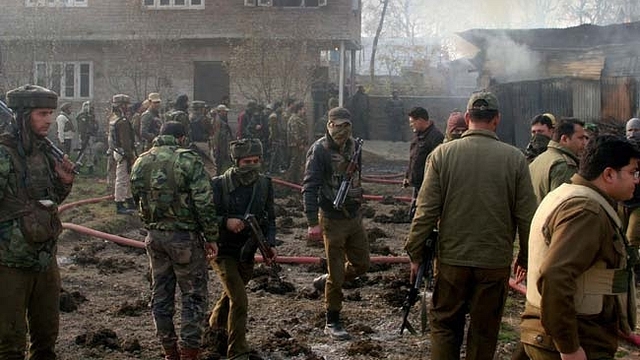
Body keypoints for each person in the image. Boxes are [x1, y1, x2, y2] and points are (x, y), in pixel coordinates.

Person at [404, 91, 537, 360]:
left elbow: (426, 211)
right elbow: (527, 216)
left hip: (453, 260)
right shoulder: (515, 159)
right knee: (485, 330)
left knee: (444, 325)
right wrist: (524, 256)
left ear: (467, 117)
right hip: (494, 262)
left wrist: (415, 253)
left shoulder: (442, 155)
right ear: (497, 120)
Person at [520, 135, 639, 360]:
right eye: (633, 172)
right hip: (577, 339)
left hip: (552, 334)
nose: (637, 180)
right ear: (609, 174)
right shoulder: (586, 211)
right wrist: (569, 347)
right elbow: (556, 275)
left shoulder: (567, 195)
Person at [130, 121, 219, 360]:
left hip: (155, 237)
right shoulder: (188, 160)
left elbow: (136, 197)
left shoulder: (141, 161)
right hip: (185, 238)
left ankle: (169, 351)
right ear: (181, 138)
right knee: (193, 296)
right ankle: (190, 352)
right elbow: (204, 202)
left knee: (161, 294)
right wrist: (211, 236)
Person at [0, 84, 76, 359]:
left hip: (44, 260)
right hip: (10, 265)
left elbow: (47, 202)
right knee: (10, 344)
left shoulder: (44, 153)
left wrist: (64, 183)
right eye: (42, 114)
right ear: (23, 116)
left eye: (50, 113)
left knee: (46, 340)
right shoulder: (4, 155)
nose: (48, 120)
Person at [303, 107, 370, 341]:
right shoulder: (319, 150)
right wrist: (312, 221)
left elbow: (357, 176)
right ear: (329, 125)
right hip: (332, 218)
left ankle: (327, 280)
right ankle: (332, 320)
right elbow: (310, 186)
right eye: (337, 125)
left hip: (353, 216)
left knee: (362, 264)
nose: (341, 130)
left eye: (346, 126)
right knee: (336, 271)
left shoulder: (354, 147)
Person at [208, 138, 277, 360]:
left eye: (256, 160)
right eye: (247, 161)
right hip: (223, 250)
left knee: (231, 295)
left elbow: (270, 218)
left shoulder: (265, 184)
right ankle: (237, 351)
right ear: (236, 161)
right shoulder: (219, 185)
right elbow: (206, 216)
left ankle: (214, 329)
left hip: (247, 251)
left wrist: (270, 244)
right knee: (239, 299)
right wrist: (226, 221)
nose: (252, 165)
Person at [528, 118, 589, 204]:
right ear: (564, 139)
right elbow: (564, 207)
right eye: (580, 138)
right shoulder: (564, 165)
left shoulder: (539, 159)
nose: (584, 143)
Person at [402, 106, 444, 218]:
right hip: (417, 183)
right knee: (415, 211)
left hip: (427, 184)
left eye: (412, 122)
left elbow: (437, 163)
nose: (411, 125)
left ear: (420, 120)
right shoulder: (418, 135)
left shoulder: (436, 137)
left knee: (424, 213)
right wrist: (408, 176)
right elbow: (413, 158)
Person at [108, 94, 137, 215]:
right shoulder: (123, 121)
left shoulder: (113, 118)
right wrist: (131, 156)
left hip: (117, 151)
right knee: (122, 178)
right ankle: (119, 203)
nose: (127, 107)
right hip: (124, 152)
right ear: (121, 106)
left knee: (127, 177)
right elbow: (126, 141)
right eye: (125, 105)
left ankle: (129, 199)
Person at [620, 117, 640, 284]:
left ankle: (633, 272)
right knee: (620, 238)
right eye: (630, 130)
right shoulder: (621, 151)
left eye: (636, 130)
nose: (633, 134)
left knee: (632, 238)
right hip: (622, 202)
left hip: (638, 204)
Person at [189, 100, 216, 176]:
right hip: (202, 143)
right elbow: (211, 131)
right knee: (207, 164)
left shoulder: (189, 117)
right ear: (201, 108)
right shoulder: (204, 119)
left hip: (192, 144)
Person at [285, 101, 308, 184]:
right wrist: (300, 144)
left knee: (298, 163)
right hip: (295, 145)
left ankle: (295, 181)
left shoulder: (298, 118)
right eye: (303, 109)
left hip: (297, 144)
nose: (304, 111)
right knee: (294, 163)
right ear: (299, 109)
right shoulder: (294, 119)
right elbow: (295, 133)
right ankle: (288, 181)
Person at [75, 100, 99, 173]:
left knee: (91, 152)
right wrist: (83, 138)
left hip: (91, 136)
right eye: (91, 108)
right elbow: (82, 128)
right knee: (83, 152)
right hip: (85, 137)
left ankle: (90, 167)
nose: (92, 109)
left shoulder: (91, 117)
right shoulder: (82, 116)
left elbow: (95, 127)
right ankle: (77, 166)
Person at [213, 104, 233, 174]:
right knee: (220, 162)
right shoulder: (218, 121)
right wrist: (216, 147)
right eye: (224, 111)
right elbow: (217, 135)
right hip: (221, 145)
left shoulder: (222, 120)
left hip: (224, 144)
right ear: (220, 112)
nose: (226, 113)